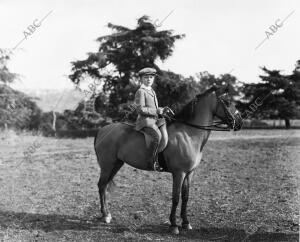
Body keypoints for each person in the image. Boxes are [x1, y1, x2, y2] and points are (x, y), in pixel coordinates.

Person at [134, 67, 166, 171]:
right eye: (146, 77)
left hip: (154, 120)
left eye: (151, 77)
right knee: (156, 136)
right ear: (141, 79)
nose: (149, 79)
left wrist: (159, 110)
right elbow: (140, 109)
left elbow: (153, 107)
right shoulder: (141, 91)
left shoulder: (151, 91)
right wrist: (155, 111)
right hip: (144, 121)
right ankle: (151, 162)